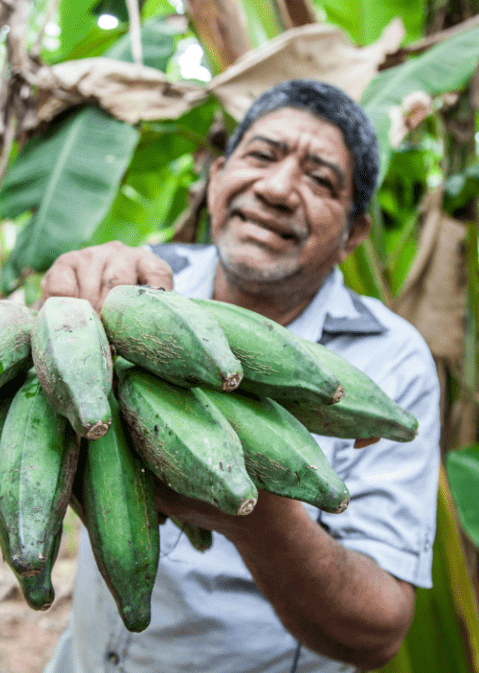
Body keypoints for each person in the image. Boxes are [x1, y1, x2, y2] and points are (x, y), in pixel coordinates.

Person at [41, 80, 441, 673]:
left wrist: (257, 519)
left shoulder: (389, 362)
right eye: (261, 156)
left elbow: (377, 633)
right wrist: (63, 315)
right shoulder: (141, 283)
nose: (278, 189)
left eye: (321, 180)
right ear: (217, 177)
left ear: (353, 234)